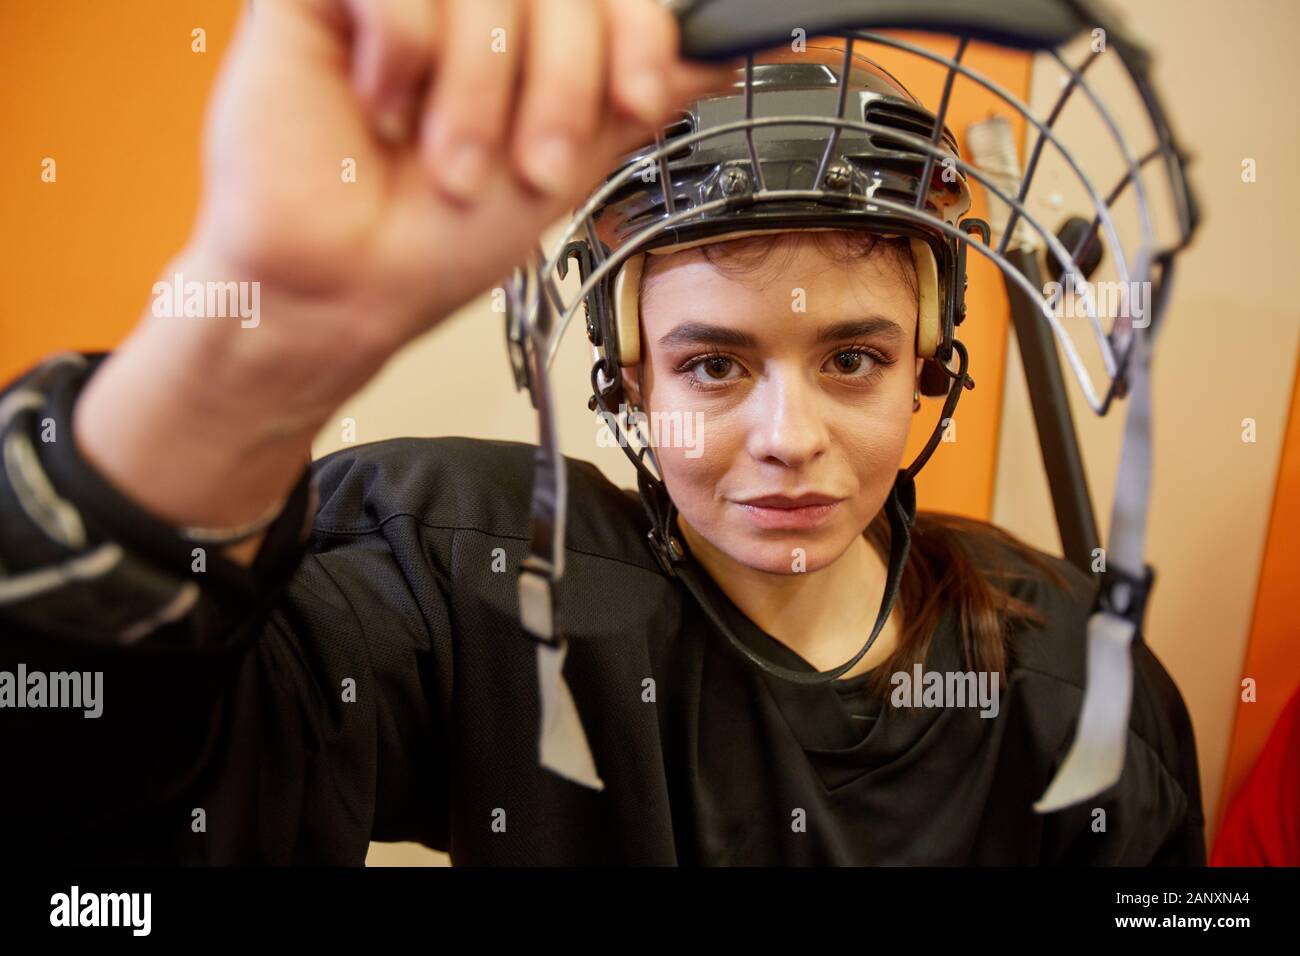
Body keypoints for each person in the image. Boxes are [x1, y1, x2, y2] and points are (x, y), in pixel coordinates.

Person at [0, 0, 1204, 864]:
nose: (788, 436)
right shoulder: (481, 591)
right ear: (627, 377)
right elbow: (114, 802)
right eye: (713, 363)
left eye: (852, 358)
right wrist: (252, 354)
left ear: (930, 364)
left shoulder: (1070, 688)